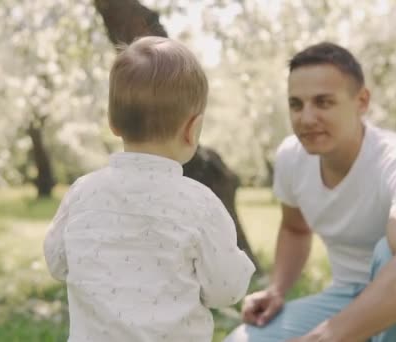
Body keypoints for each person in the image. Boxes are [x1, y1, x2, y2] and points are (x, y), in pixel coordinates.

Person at [225, 42, 396, 342]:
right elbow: (295, 229)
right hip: (348, 297)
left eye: (323, 102)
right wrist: (277, 289)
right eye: (296, 104)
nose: (306, 118)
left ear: (362, 101)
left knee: (390, 252)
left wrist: (327, 336)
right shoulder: (291, 157)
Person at [43, 36, 255, 342]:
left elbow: (56, 262)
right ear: (192, 129)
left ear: (113, 123)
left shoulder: (82, 193)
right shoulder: (201, 204)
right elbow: (226, 290)